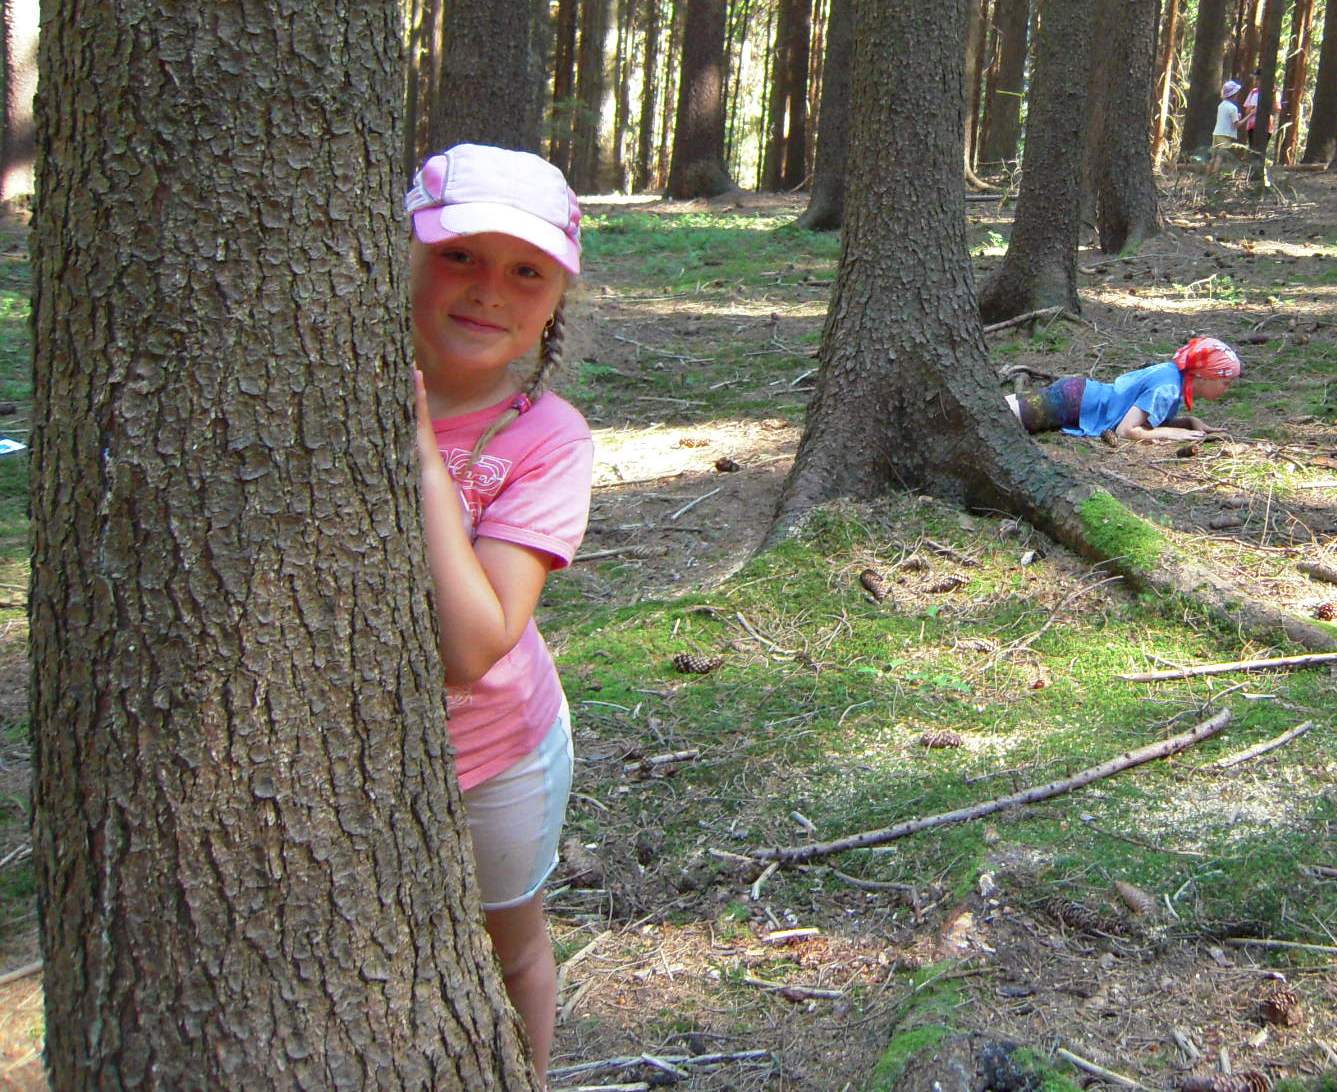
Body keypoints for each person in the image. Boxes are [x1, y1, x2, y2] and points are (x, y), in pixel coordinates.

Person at [406, 142, 593, 1086]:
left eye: (526, 271)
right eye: (457, 255)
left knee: (508, 943)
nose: (488, 290)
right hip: (334, 756)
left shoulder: (546, 440)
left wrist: (417, 451)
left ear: (556, 300)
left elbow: (473, 647)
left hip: (494, 751)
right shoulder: (304, 394)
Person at [1005, 336, 1242, 443]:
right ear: (1204, 376)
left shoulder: (1173, 377)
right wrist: (1171, 433)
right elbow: (1126, 430)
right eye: (1225, 382)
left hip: (1077, 395)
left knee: (999, 408)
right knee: (999, 416)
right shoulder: (1168, 387)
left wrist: (1188, 422)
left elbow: (1146, 420)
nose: (1228, 388)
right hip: (1074, 402)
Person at [1210, 79, 1243, 172]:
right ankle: (1214, 176)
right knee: (1220, 157)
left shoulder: (1221, 105)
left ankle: (1208, 175)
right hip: (1225, 136)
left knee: (1213, 158)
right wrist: (1250, 115)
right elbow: (1237, 125)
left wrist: (1237, 117)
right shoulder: (1233, 108)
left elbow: (1225, 119)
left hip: (1216, 134)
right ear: (1234, 94)